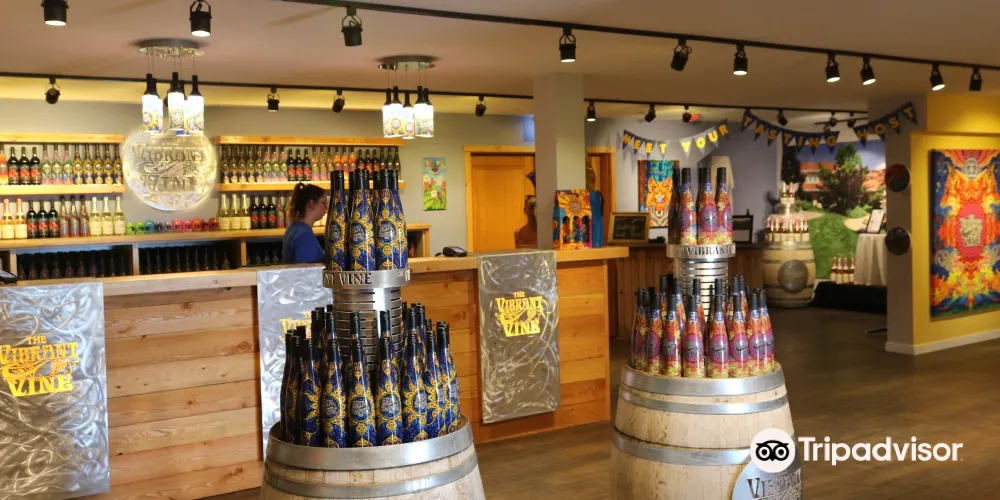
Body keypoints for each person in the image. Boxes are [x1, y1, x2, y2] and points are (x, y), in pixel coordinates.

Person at [283, 183, 328, 263]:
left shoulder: (294, 227)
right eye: (323, 203)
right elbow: (305, 269)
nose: (326, 208)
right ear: (312, 203)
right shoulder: (304, 236)